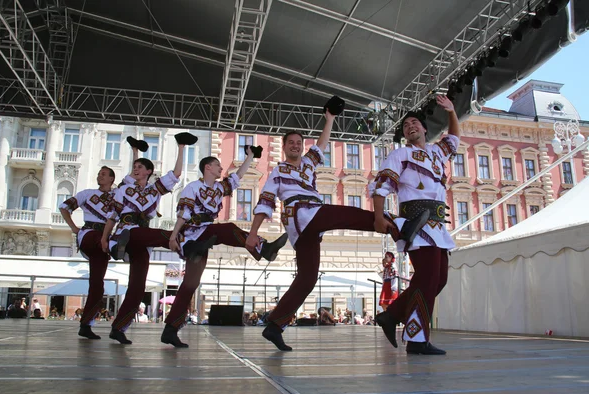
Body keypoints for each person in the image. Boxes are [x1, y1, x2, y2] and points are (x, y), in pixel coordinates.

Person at [245, 98, 399, 351]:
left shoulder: (307, 163)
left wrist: (329, 119)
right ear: (283, 147)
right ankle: (394, 225)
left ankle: (274, 325)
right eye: (291, 143)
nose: (295, 146)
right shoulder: (278, 171)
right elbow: (265, 201)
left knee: (307, 278)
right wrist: (253, 233)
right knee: (348, 214)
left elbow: (322, 144)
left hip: (309, 225)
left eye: (299, 143)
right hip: (301, 214)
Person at [161, 147, 288, 347]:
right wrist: (174, 236)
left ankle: (170, 330)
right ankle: (264, 248)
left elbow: (237, 178)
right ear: (208, 167)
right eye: (218, 165)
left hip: (205, 236)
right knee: (226, 229)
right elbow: (184, 213)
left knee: (191, 284)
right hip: (191, 236)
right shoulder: (193, 187)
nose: (221, 168)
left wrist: (249, 157)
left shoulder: (219, 189)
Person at [371, 95, 460, 355]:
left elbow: (454, 138)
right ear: (405, 135)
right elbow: (381, 185)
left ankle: (393, 315)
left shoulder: (436, 152)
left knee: (438, 280)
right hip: (416, 223)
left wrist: (452, 112)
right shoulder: (400, 154)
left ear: (424, 129)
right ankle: (417, 340)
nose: (410, 126)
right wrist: (378, 216)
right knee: (427, 278)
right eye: (405, 126)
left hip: (438, 223)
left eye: (414, 123)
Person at [101, 132, 206, 345]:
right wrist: (105, 238)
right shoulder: (123, 189)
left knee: (138, 286)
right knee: (163, 235)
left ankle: (118, 327)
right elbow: (112, 216)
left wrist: (181, 147)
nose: (136, 169)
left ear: (149, 171)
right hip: (128, 230)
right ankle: (185, 244)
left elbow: (176, 173)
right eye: (135, 167)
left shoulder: (154, 190)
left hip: (142, 237)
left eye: (140, 167)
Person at [60, 139, 141, 340]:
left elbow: (134, 175)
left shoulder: (117, 193)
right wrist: (73, 228)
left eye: (103, 174)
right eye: (98, 174)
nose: (99, 176)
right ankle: (118, 249)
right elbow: (64, 206)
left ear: (112, 179)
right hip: (89, 235)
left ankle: (86, 324)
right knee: (101, 240)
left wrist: (135, 151)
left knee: (98, 285)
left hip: (103, 243)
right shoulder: (87, 194)